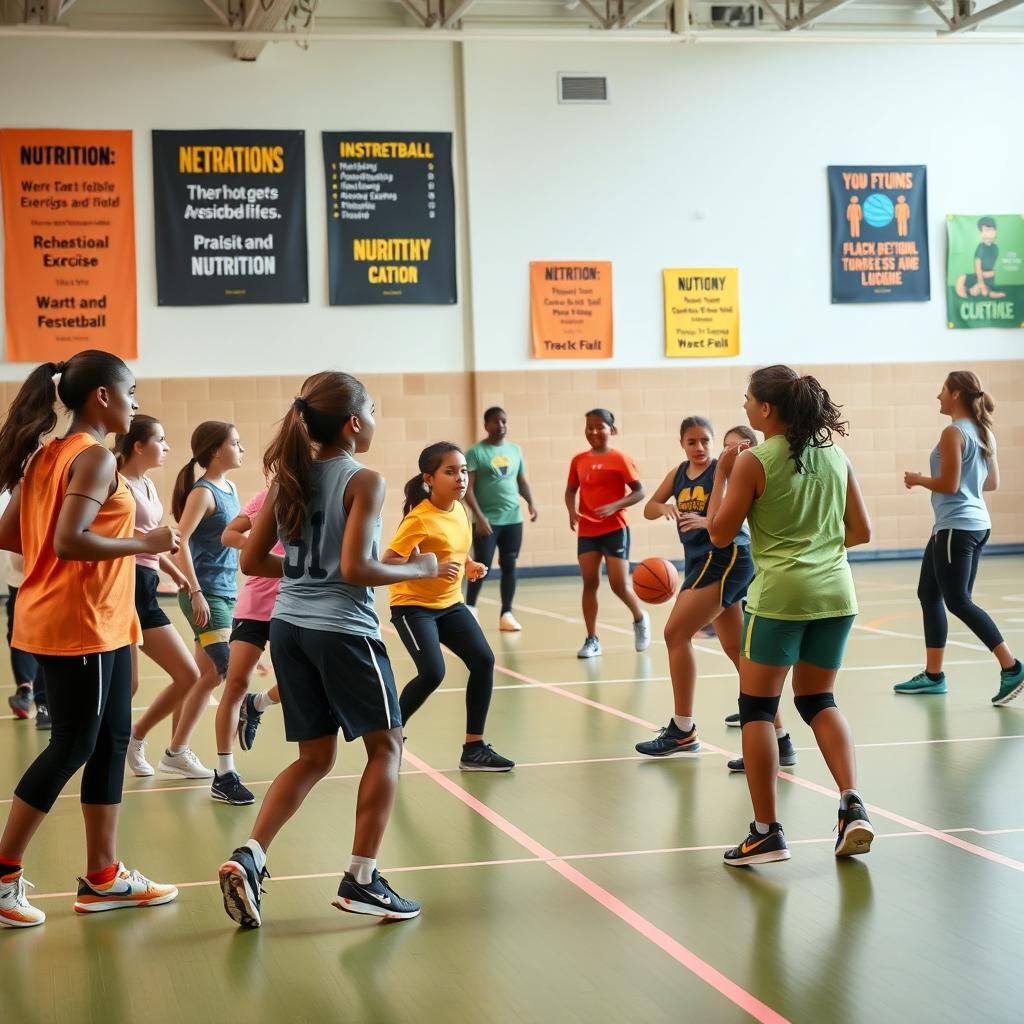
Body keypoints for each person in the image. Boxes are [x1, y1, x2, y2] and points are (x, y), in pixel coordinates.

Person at [219, 372, 437, 928]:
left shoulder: (287, 477)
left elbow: (250, 561)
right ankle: (362, 879)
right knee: (386, 748)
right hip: (342, 630)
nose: (376, 418)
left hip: (287, 628)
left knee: (314, 757)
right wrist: (418, 568)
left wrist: (297, 573)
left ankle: (251, 855)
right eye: (373, 409)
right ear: (353, 423)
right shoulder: (364, 479)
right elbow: (356, 569)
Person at [0, 351, 179, 928]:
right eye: (131, 391)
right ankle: (2, 876)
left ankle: (103, 877)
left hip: (94, 618)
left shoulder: (48, 456)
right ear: (102, 396)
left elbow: (13, 534)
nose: (136, 402)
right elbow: (70, 541)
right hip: (79, 624)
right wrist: (143, 541)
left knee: (109, 739)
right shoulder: (96, 457)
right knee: (74, 744)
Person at [706, 365, 874, 866]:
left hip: (780, 596)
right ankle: (851, 804)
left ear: (765, 410)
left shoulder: (753, 461)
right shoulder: (836, 454)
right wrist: (817, 550)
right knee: (818, 698)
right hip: (835, 594)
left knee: (758, 709)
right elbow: (860, 531)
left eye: (747, 399)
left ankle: (765, 832)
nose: (743, 406)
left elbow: (718, 533)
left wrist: (720, 475)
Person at [635, 418, 795, 771]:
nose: (700, 447)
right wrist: (663, 508)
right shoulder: (679, 473)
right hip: (699, 561)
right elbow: (648, 507)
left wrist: (709, 522)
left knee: (675, 633)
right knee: (737, 651)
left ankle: (682, 728)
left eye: (705, 440)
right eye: (692, 441)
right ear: (682, 444)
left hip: (726, 557)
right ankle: (780, 739)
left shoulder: (724, 471)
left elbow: (736, 518)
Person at [385, 443, 515, 772]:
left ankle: (474, 748)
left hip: (449, 603)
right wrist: (431, 568)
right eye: (451, 472)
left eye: (464, 471)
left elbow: (452, 550)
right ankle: (387, 738)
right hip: (413, 607)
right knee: (432, 672)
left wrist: (469, 564)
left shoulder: (459, 510)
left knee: (483, 661)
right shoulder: (418, 519)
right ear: (429, 478)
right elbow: (388, 563)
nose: (461, 478)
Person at [896, 371, 1023, 705]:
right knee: (928, 592)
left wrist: (919, 479)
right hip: (967, 525)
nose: (938, 396)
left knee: (958, 600)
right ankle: (933, 676)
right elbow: (990, 483)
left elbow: (950, 485)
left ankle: (1012, 667)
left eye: (942, 390)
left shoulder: (953, 432)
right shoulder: (984, 433)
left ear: (954, 394)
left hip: (958, 527)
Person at [112, 416, 205, 778]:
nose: (166, 447)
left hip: (147, 587)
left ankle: (136, 737)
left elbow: (152, 539)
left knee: (187, 673)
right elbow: (126, 539)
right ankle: (113, 746)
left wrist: (175, 571)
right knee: (129, 684)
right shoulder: (115, 483)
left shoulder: (148, 484)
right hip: (124, 585)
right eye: (160, 440)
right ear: (138, 445)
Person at [167, 421, 245, 780]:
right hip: (206, 594)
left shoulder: (229, 487)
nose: (241, 449)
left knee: (210, 676)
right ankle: (209, 759)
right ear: (216, 451)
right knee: (229, 673)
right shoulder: (203, 493)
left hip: (226, 592)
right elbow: (180, 541)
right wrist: (195, 591)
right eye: (235, 443)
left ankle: (175, 751)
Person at [210, 487, 284, 805]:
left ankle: (258, 705)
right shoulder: (267, 497)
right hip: (255, 604)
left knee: (299, 683)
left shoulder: (324, 492)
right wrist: (256, 547)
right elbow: (230, 534)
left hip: (295, 606)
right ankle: (224, 773)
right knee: (236, 683)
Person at [565, 409, 650, 659]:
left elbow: (639, 491)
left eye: (599, 426)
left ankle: (639, 618)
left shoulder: (620, 459)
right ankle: (592, 639)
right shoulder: (578, 460)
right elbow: (570, 491)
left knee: (618, 585)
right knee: (589, 583)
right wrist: (572, 512)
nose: (593, 431)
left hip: (615, 528)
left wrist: (614, 505)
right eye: (589, 426)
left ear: (611, 430)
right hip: (588, 530)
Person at [464, 407, 537, 632]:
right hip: (487, 521)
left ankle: (507, 613)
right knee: (481, 565)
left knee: (510, 565)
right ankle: (471, 609)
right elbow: (468, 488)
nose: (501, 425)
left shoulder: (515, 450)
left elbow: (521, 481)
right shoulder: (476, 452)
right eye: (496, 422)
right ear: (486, 425)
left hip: (513, 519)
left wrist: (531, 502)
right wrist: (479, 516)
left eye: (504, 421)